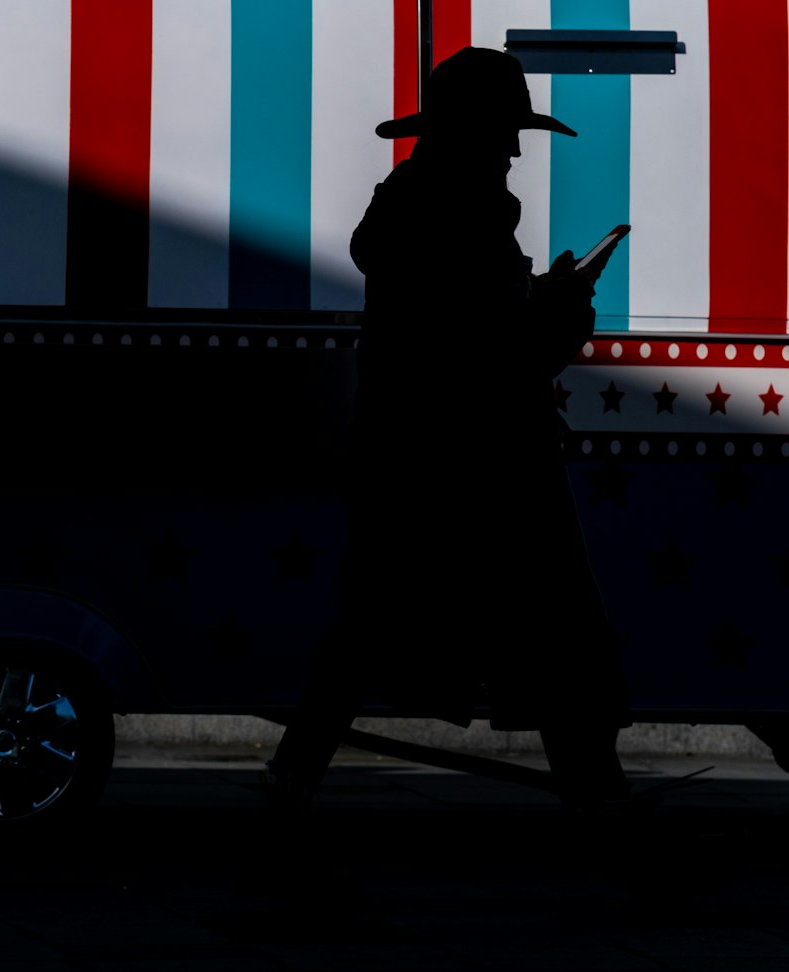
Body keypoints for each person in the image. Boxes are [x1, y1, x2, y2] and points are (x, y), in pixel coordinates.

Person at [264, 46, 630, 812]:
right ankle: (598, 799)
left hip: (417, 456)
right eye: (505, 132)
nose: (514, 149)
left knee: (375, 621)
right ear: (471, 135)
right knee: (558, 630)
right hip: (478, 462)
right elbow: (495, 358)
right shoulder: (457, 220)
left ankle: (296, 773)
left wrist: (538, 302)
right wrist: (562, 312)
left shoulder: (420, 210)